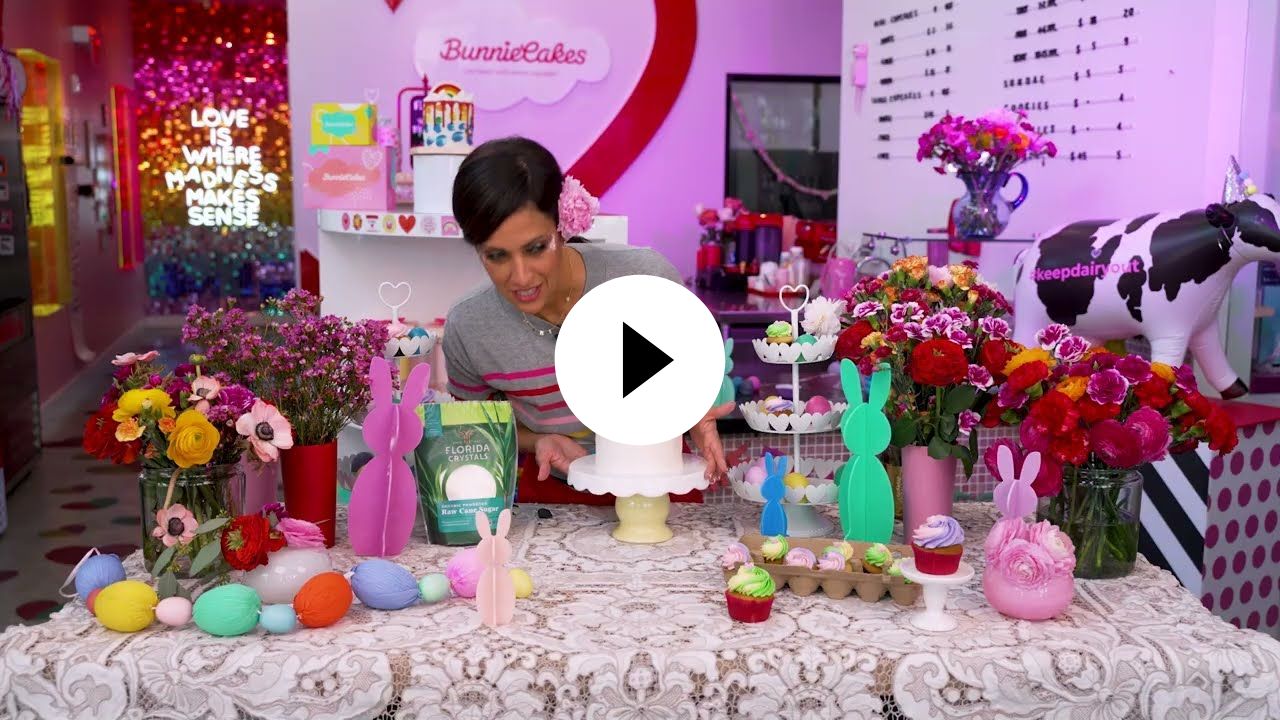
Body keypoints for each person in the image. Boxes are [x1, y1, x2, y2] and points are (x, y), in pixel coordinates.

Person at [441, 136, 733, 485]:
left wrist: (695, 413)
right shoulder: (470, 326)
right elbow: (473, 428)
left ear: (563, 224)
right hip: (552, 492)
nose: (521, 277)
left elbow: (690, 374)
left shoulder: (645, 280)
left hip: (662, 486)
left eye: (536, 248)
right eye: (496, 256)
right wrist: (536, 440)